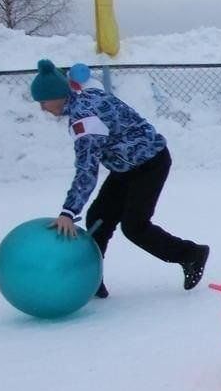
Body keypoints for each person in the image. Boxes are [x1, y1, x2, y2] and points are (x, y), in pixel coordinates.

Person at [29, 58, 209, 300]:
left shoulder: (85, 121)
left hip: (150, 163)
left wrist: (68, 212)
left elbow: (87, 169)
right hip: (126, 167)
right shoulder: (88, 95)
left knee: (135, 226)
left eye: (44, 101)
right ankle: (91, 281)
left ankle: (190, 254)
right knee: (98, 220)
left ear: (59, 95)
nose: (42, 107)